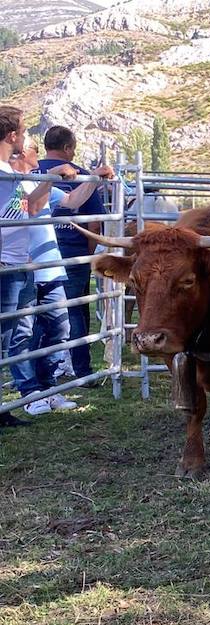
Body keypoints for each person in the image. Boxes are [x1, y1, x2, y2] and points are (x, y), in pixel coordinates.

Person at [12, 142, 106, 413]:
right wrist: (52, 175)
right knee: (24, 333)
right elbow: (31, 206)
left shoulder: (41, 182)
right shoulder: (11, 183)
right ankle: (29, 394)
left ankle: (49, 387)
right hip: (25, 268)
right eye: (31, 149)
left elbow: (70, 201)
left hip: (51, 266)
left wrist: (94, 179)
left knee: (60, 329)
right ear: (20, 156)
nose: (36, 153)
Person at [0, 105, 76, 426]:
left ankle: (16, 405)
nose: (28, 139)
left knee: (17, 334)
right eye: (25, 130)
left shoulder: (11, 172)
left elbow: (31, 207)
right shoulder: (5, 172)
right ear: (13, 135)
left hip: (21, 264)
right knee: (6, 337)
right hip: (5, 265)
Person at [38, 125, 113, 380]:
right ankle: (80, 368)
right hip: (73, 248)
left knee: (38, 310)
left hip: (38, 250)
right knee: (77, 308)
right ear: (68, 148)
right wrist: (89, 254)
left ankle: (42, 366)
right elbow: (94, 222)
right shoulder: (79, 174)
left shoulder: (30, 172)